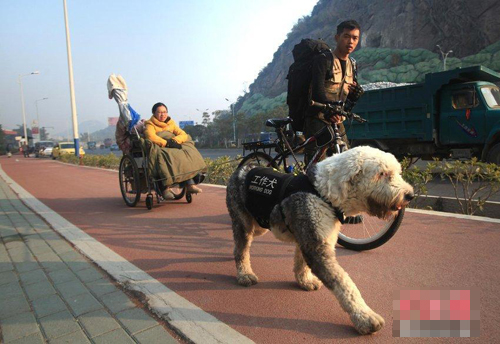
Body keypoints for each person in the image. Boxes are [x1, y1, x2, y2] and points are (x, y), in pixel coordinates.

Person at [304, 19, 365, 164]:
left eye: (355, 38)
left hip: (338, 119)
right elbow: (317, 91)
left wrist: (355, 95)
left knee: (346, 161)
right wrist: (329, 112)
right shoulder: (324, 60)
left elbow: (348, 96)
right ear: (337, 38)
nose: (350, 41)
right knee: (317, 166)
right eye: (346, 36)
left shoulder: (353, 64)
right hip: (318, 118)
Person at [144, 102, 203, 199]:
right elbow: (151, 136)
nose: (162, 114)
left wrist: (174, 141)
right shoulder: (150, 124)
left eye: (164, 112)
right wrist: (166, 143)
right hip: (160, 146)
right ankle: (165, 189)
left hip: (172, 145)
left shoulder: (171, 123)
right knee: (163, 158)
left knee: (186, 152)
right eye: (159, 112)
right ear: (154, 113)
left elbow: (183, 134)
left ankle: (190, 184)